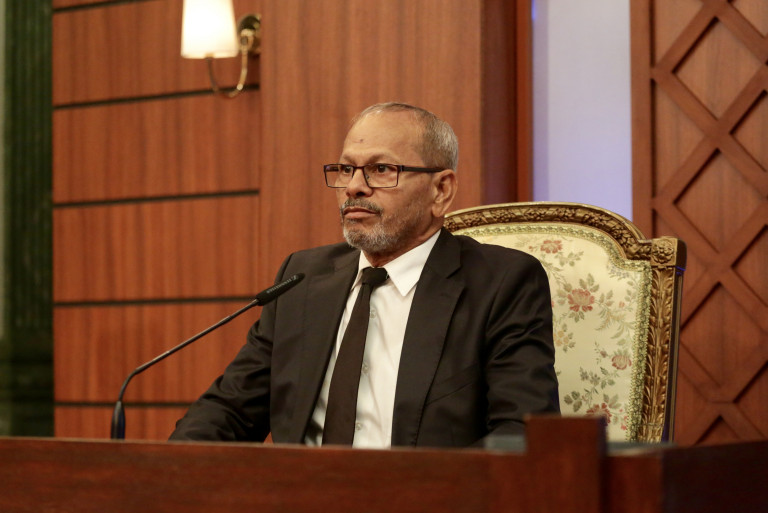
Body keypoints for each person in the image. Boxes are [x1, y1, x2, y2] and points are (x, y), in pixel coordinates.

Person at [169, 102, 559, 448]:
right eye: (346, 169)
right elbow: (231, 410)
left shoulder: (501, 283)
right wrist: (165, 470)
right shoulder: (301, 279)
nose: (354, 187)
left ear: (441, 190)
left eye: (381, 169)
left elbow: (521, 433)